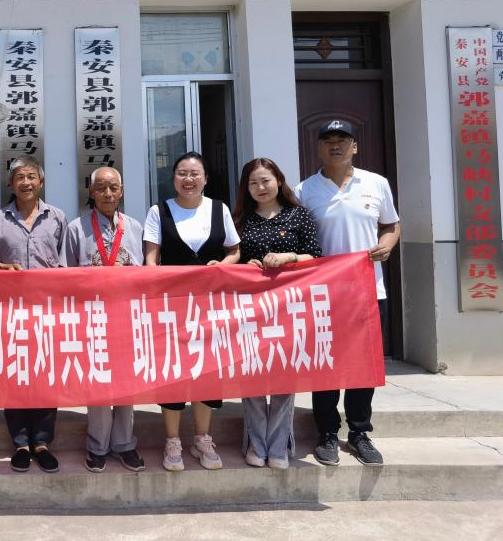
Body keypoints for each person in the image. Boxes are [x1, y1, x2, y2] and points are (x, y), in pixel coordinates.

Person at [295, 119, 400, 467]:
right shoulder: (304, 190)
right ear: (319, 148)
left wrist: (387, 244)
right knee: (325, 363)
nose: (335, 145)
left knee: (362, 365)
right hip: (322, 294)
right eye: (328, 140)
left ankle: (359, 432)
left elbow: (391, 224)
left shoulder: (376, 183)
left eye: (343, 139)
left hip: (368, 290)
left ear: (355, 146)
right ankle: (326, 431)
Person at [143, 151, 240, 472]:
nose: (188, 179)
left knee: (207, 370)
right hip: (172, 307)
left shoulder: (219, 209)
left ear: (206, 179)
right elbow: (151, 259)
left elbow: (234, 250)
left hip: (212, 306)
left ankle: (202, 438)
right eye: (182, 173)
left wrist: (222, 266)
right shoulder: (159, 211)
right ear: (173, 178)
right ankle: (172, 441)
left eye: (195, 173)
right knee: (174, 370)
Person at [233, 157, 322, 470]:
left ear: (279, 181)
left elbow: (316, 256)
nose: (260, 187)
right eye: (253, 183)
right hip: (251, 309)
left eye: (265, 180)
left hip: (289, 307)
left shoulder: (299, 215)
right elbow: (232, 257)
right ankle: (256, 445)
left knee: (285, 375)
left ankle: (280, 445)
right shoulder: (240, 220)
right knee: (253, 376)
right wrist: (246, 265)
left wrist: (289, 257)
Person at [0, 155, 67, 474]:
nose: (26, 182)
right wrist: (1, 267)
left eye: (31, 177)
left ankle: (41, 442)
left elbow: (65, 264)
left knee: (45, 372)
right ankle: (19, 442)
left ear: (41, 182)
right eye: (20, 177)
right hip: (10, 312)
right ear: (10, 184)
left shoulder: (57, 217)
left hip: (47, 310)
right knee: (15, 374)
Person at [65, 167, 146, 474]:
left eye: (113, 188)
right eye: (101, 188)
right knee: (98, 381)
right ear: (91, 192)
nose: (108, 194)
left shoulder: (135, 227)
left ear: (121, 191)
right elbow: (65, 276)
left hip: (127, 317)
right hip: (92, 318)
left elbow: (146, 274)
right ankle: (97, 446)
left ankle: (124, 443)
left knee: (127, 381)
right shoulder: (76, 229)